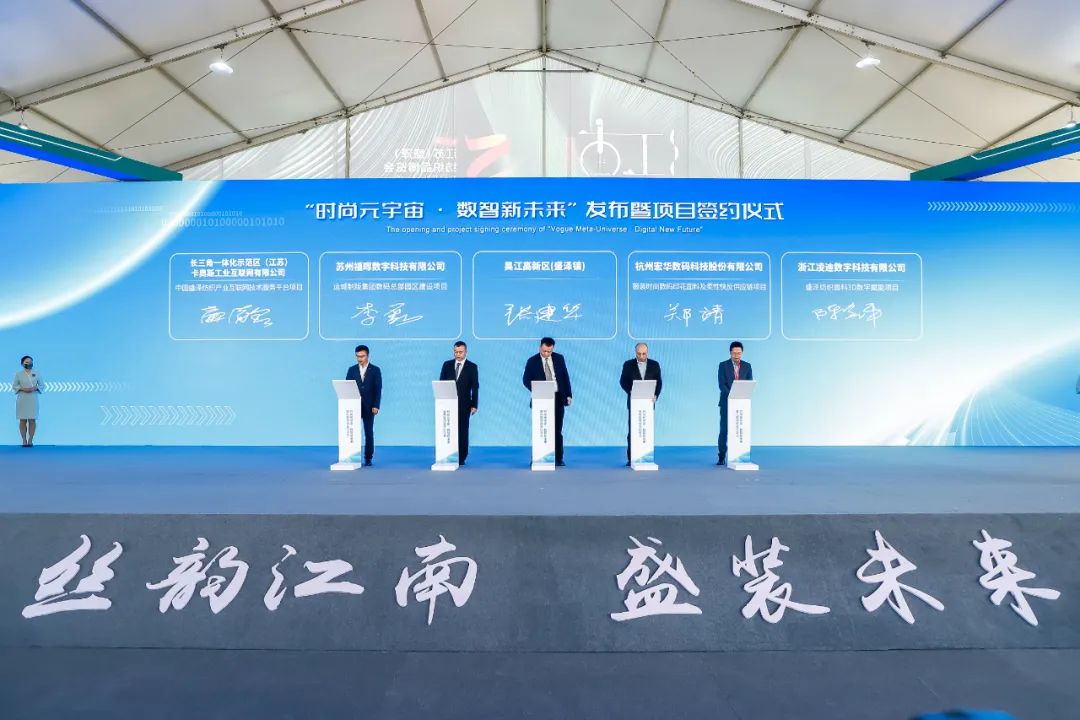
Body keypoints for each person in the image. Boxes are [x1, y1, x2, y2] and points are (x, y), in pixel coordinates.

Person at [522, 337, 572, 466]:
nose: (546, 354)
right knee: (541, 430)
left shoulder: (559, 358)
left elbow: (565, 377)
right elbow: (525, 379)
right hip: (541, 397)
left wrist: (568, 394)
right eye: (544, 351)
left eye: (549, 351)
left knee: (557, 429)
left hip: (558, 397)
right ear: (540, 347)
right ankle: (538, 458)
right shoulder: (532, 361)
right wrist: (537, 389)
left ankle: (558, 458)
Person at [620, 343, 662, 466]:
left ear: (647, 353)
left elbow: (659, 382)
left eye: (644, 354)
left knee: (646, 430)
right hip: (634, 403)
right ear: (635, 353)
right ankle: (631, 458)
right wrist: (631, 391)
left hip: (648, 403)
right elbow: (622, 381)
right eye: (639, 354)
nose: (641, 356)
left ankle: (646, 457)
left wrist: (656, 395)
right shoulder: (628, 365)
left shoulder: (655, 365)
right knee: (633, 430)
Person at [439, 341, 479, 465]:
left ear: (466, 352)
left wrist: (474, 405)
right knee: (448, 430)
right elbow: (441, 383)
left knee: (462, 430)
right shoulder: (447, 365)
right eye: (456, 352)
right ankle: (448, 454)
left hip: (464, 404)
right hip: (448, 404)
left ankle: (461, 457)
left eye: (460, 352)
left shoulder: (472, 367)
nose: (458, 354)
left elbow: (475, 387)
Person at [345, 345, 381, 466]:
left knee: (368, 433)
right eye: (357, 356)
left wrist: (376, 405)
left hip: (369, 406)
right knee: (352, 432)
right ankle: (351, 456)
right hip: (353, 406)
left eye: (362, 356)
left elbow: (378, 389)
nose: (360, 359)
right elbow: (347, 387)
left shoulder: (375, 370)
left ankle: (368, 458)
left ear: (367, 356)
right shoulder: (352, 370)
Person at [717, 341, 752, 466]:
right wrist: (732, 396)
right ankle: (721, 456)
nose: (737, 355)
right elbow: (721, 385)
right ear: (730, 353)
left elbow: (749, 383)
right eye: (734, 353)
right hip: (726, 403)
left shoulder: (747, 366)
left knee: (740, 429)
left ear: (742, 353)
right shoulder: (723, 365)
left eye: (739, 353)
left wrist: (740, 397)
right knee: (724, 430)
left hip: (741, 404)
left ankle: (739, 455)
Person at [14, 355, 42, 448]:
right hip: (22, 398)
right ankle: (24, 440)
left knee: (32, 420)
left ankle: (30, 440)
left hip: (33, 398)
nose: (29, 364)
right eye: (27, 362)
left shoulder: (37, 373)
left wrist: (35, 388)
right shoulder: (18, 374)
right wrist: (23, 389)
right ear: (22, 363)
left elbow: (42, 385)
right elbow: (15, 386)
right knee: (22, 420)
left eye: (30, 362)